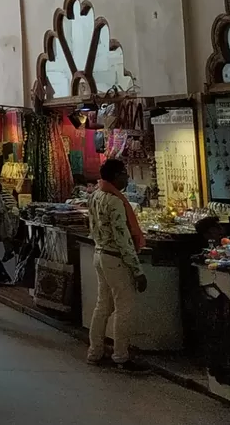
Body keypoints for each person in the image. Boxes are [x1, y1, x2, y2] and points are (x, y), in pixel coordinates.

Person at [86, 158, 149, 373]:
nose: (127, 177)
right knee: (124, 308)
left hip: (99, 253)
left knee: (103, 305)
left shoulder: (95, 195)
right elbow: (123, 239)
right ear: (114, 176)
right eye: (124, 173)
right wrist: (137, 270)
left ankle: (95, 351)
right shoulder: (114, 202)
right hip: (115, 258)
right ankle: (121, 356)